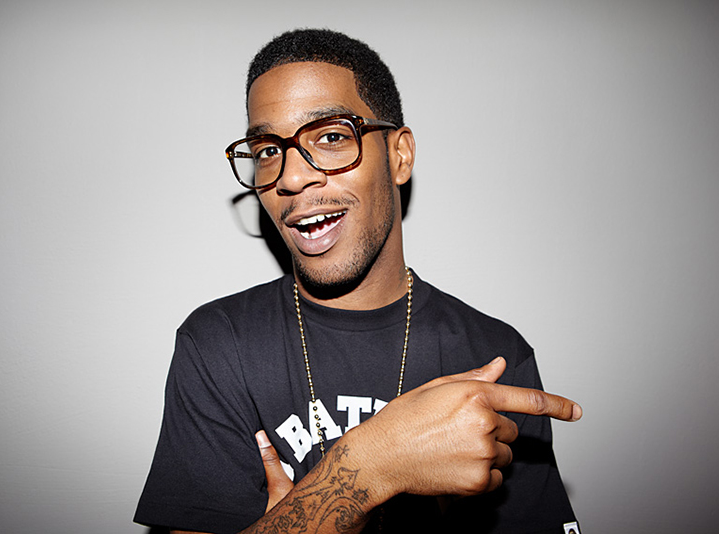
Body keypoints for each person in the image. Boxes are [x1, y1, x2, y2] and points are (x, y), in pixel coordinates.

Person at [135, 29, 582, 534]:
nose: (290, 178)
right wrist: (370, 467)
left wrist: (291, 519)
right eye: (267, 151)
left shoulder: (494, 355)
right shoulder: (219, 343)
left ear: (399, 156)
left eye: (330, 137)